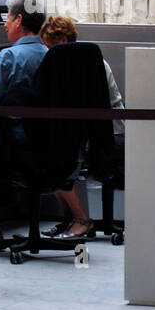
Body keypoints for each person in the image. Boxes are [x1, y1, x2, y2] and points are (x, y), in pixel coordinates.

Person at [38, 15, 125, 239]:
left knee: (55, 164)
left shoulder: (85, 64)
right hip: (92, 129)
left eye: (52, 47)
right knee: (53, 156)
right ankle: (70, 218)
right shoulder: (80, 62)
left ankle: (82, 219)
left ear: (64, 41)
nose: (49, 53)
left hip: (108, 133)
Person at [0, 0, 46, 248]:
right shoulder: (50, 54)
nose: (5, 25)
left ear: (19, 20)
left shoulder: (7, 58)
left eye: (8, 18)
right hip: (46, 144)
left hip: (14, 146)